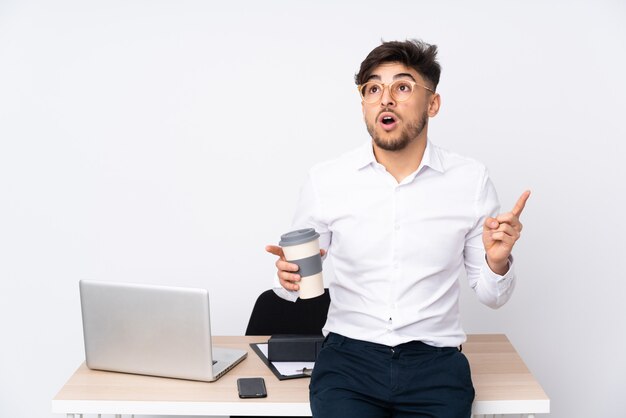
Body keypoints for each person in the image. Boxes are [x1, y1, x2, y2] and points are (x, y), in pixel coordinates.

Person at [266, 39, 530, 418]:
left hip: (436, 365)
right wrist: (288, 278)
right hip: (348, 363)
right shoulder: (327, 180)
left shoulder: (470, 181)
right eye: (373, 89)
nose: (385, 99)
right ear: (364, 106)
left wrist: (498, 262)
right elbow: (294, 284)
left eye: (402, 87)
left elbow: (493, 296)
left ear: (432, 103)